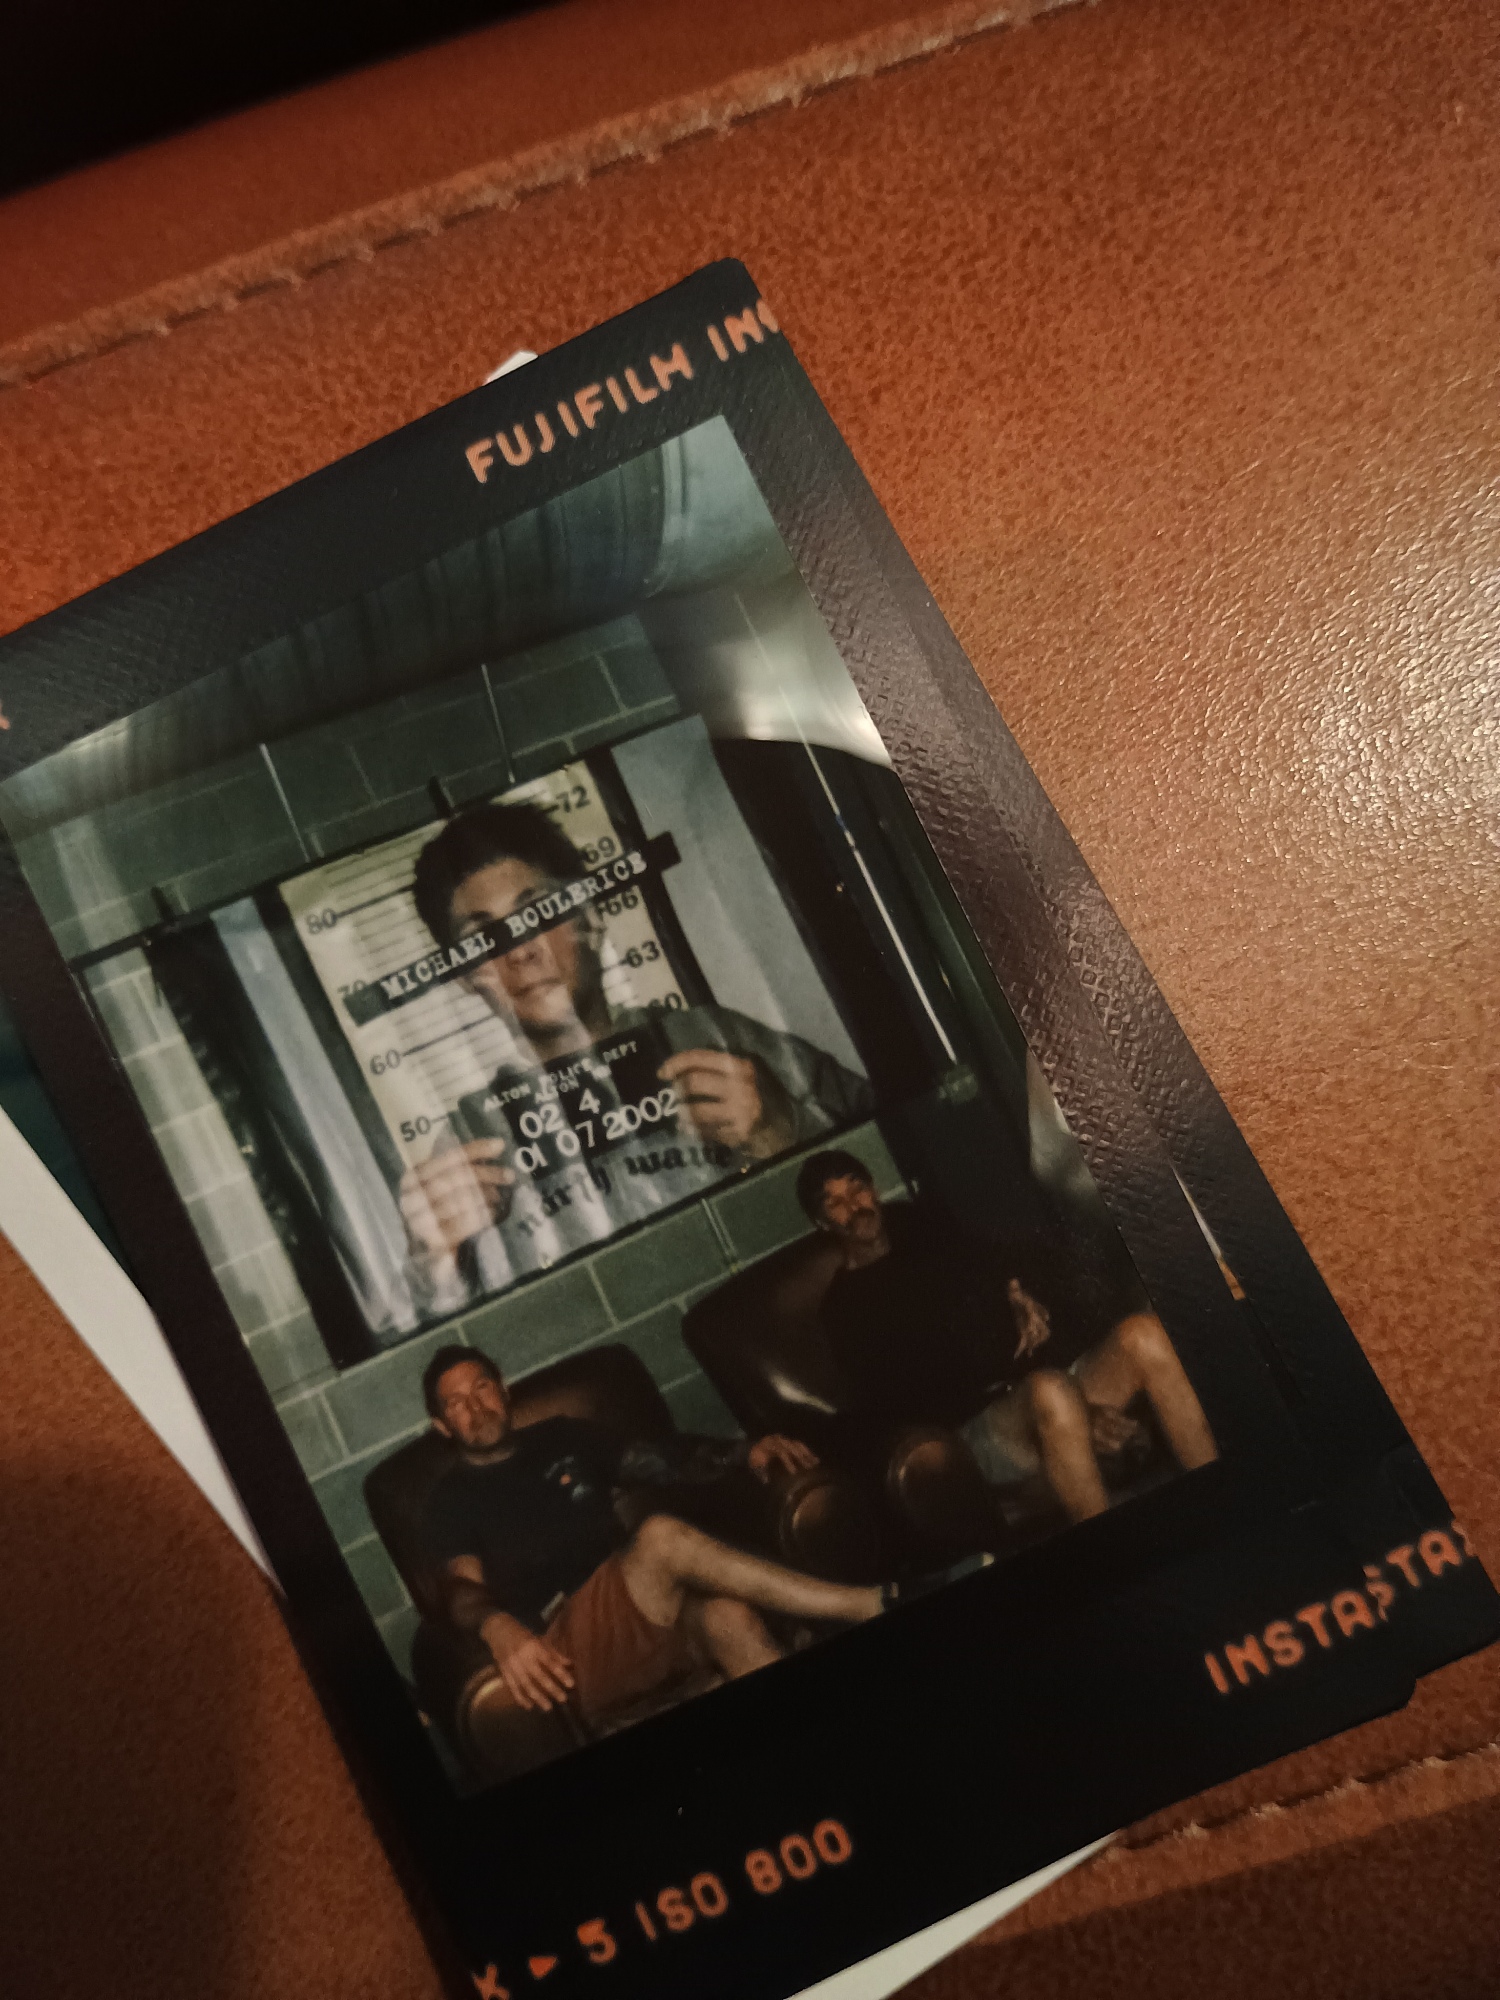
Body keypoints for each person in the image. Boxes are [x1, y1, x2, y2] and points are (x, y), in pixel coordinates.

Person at [398, 802, 872, 1310]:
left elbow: (894, 1153)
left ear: (588, 916)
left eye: (538, 912)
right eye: (483, 939)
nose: (519, 950)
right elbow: (436, 1319)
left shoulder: (716, 1037)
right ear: (465, 977)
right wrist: (433, 1260)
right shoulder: (470, 1140)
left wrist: (787, 1129)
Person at [419, 1346, 885, 1726]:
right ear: (442, 1426)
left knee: (731, 1619)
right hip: (568, 1646)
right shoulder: (451, 1500)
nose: (475, 1408)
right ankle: (865, 1605)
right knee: (660, 1537)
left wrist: (745, 1453)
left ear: (503, 1389)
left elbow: (661, 1459)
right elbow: (462, 1589)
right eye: (456, 1403)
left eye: (482, 1387)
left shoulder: (561, 1437)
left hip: (643, 1610)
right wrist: (495, 1625)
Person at [799, 1150, 1219, 1525]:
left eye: (857, 1188)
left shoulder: (928, 1239)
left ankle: (1222, 1498)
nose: (854, 1206)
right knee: (1050, 1391)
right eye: (835, 1203)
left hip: (1047, 1385)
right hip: (981, 1429)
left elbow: (1007, 1259)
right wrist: (1077, 1406)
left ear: (874, 1190)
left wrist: (1015, 1289)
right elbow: (900, 1400)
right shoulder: (844, 1309)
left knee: (1144, 1333)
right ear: (822, 1223)